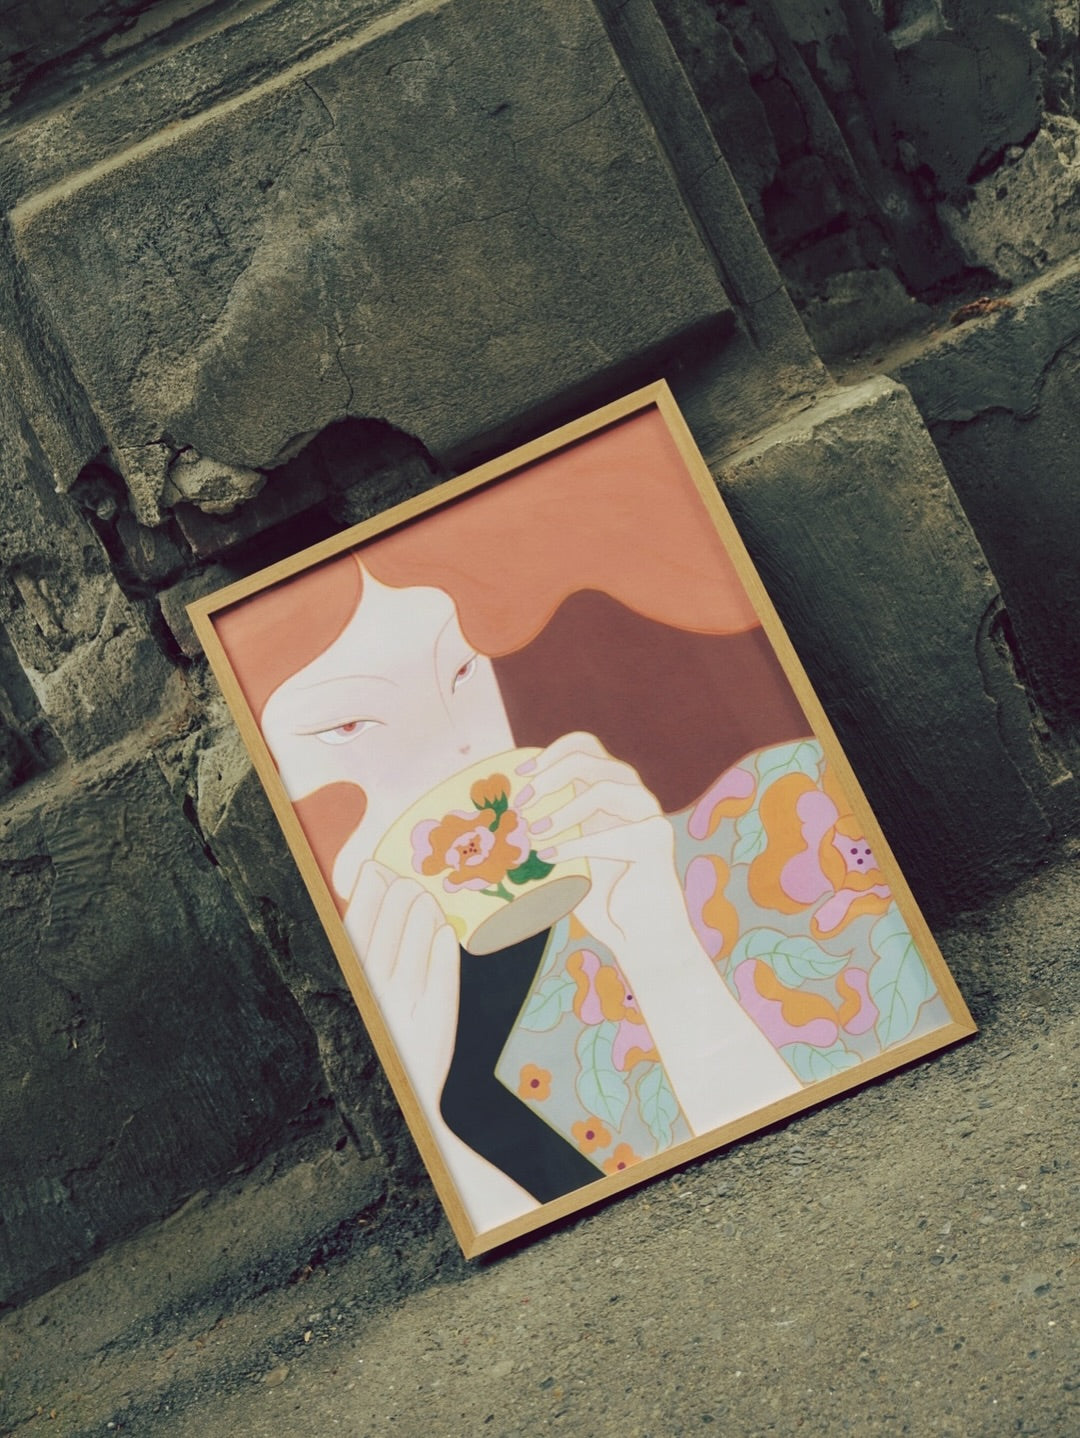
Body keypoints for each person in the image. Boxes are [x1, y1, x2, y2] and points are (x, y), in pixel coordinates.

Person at [215, 409, 946, 1234]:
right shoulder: (418, 989)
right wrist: (431, 1063)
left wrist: (660, 940)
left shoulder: (774, 833)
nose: (459, 742)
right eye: (347, 725)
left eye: (461, 668)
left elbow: (809, 1142)